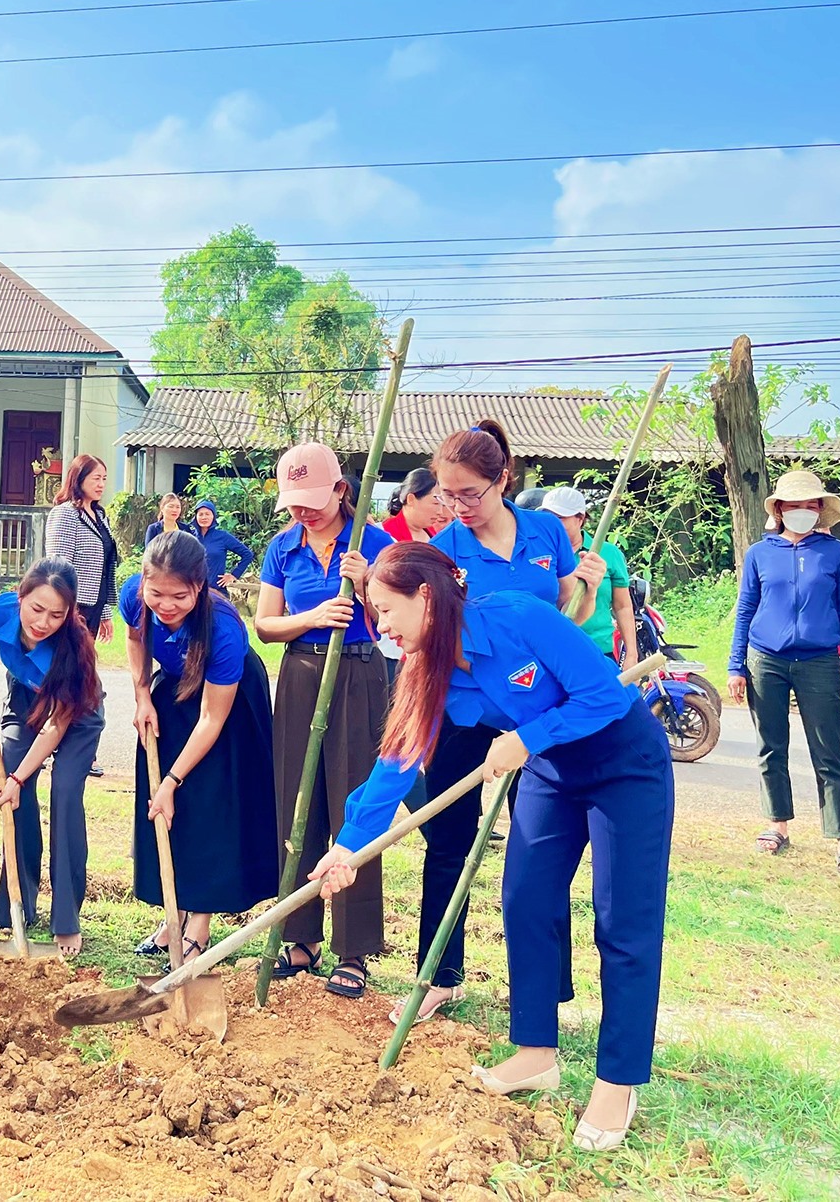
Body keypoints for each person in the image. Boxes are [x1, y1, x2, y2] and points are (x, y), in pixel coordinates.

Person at [312, 542, 673, 1153]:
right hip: (551, 773)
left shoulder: (515, 617)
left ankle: (618, 1080)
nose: (383, 626)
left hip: (624, 766)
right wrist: (348, 847)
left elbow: (607, 697)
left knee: (622, 921)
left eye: (387, 610)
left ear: (425, 596)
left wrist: (528, 737)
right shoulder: (425, 669)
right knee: (526, 903)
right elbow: (396, 762)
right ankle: (536, 1051)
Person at [408, 419, 606, 1021]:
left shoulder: (546, 530)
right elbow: (434, 638)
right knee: (449, 841)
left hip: (537, 717)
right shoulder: (447, 551)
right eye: (447, 494)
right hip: (464, 715)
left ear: (503, 479)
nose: (459, 507)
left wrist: (590, 590)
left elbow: (566, 613)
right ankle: (438, 976)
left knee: (542, 845)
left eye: (471, 493)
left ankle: (545, 985)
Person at [252, 442, 395, 995]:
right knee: (296, 801)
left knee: (353, 802)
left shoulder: (373, 542)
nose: (302, 513)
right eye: (294, 503)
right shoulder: (282, 548)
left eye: (312, 501)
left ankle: (355, 949)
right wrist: (311, 615)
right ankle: (300, 935)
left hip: (358, 673)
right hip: (299, 673)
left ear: (340, 490)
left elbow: (391, 621)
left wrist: (363, 585)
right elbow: (264, 625)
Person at [123, 530, 277, 964]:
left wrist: (173, 778)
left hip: (226, 710)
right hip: (171, 693)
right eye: (157, 594)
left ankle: (200, 922)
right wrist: (141, 695)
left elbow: (213, 717)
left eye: (179, 597)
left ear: (200, 586)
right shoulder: (136, 596)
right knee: (172, 812)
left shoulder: (223, 630)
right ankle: (175, 912)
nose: (166, 606)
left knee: (208, 805)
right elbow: (136, 640)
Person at [728, 469, 840, 875]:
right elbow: (745, 611)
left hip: (820, 661)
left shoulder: (837, 553)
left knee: (829, 751)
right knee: (771, 747)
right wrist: (736, 665)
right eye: (794, 505)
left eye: (811, 505)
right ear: (780, 509)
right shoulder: (759, 553)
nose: (803, 511)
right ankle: (777, 825)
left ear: (821, 510)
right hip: (765, 660)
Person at [0, 559, 106, 957]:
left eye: (56, 614)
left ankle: (66, 918)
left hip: (75, 716)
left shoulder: (72, 652)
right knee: (14, 784)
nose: (43, 622)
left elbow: (56, 728)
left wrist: (17, 778)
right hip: (25, 701)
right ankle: (17, 904)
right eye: (36, 609)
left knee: (64, 793)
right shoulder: (0, 611)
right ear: (21, 597)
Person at [541, 486, 638, 665]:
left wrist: (631, 654)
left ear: (580, 518)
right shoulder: (538, 554)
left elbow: (623, 606)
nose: (552, 523)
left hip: (598, 650)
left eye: (559, 517)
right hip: (552, 651)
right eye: (547, 517)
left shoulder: (608, 554)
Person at [44, 454, 119, 642]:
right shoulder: (66, 514)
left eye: (104, 479)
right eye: (96, 478)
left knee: (83, 661)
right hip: (72, 606)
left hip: (95, 604)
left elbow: (103, 569)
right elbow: (58, 567)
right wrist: (65, 608)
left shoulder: (100, 516)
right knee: (63, 660)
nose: (101, 484)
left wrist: (105, 612)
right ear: (79, 478)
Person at [190, 500, 256, 596]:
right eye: (201, 514)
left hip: (217, 593)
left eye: (207, 514)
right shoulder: (190, 537)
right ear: (196, 517)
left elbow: (247, 554)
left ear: (213, 516)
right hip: (193, 593)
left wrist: (234, 575)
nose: (204, 517)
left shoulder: (222, 536)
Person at [382, 468, 452, 543]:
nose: (440, 512)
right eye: (436, 503)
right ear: (411, 499)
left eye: (442, 504)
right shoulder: (386, 533)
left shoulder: (434, 534)